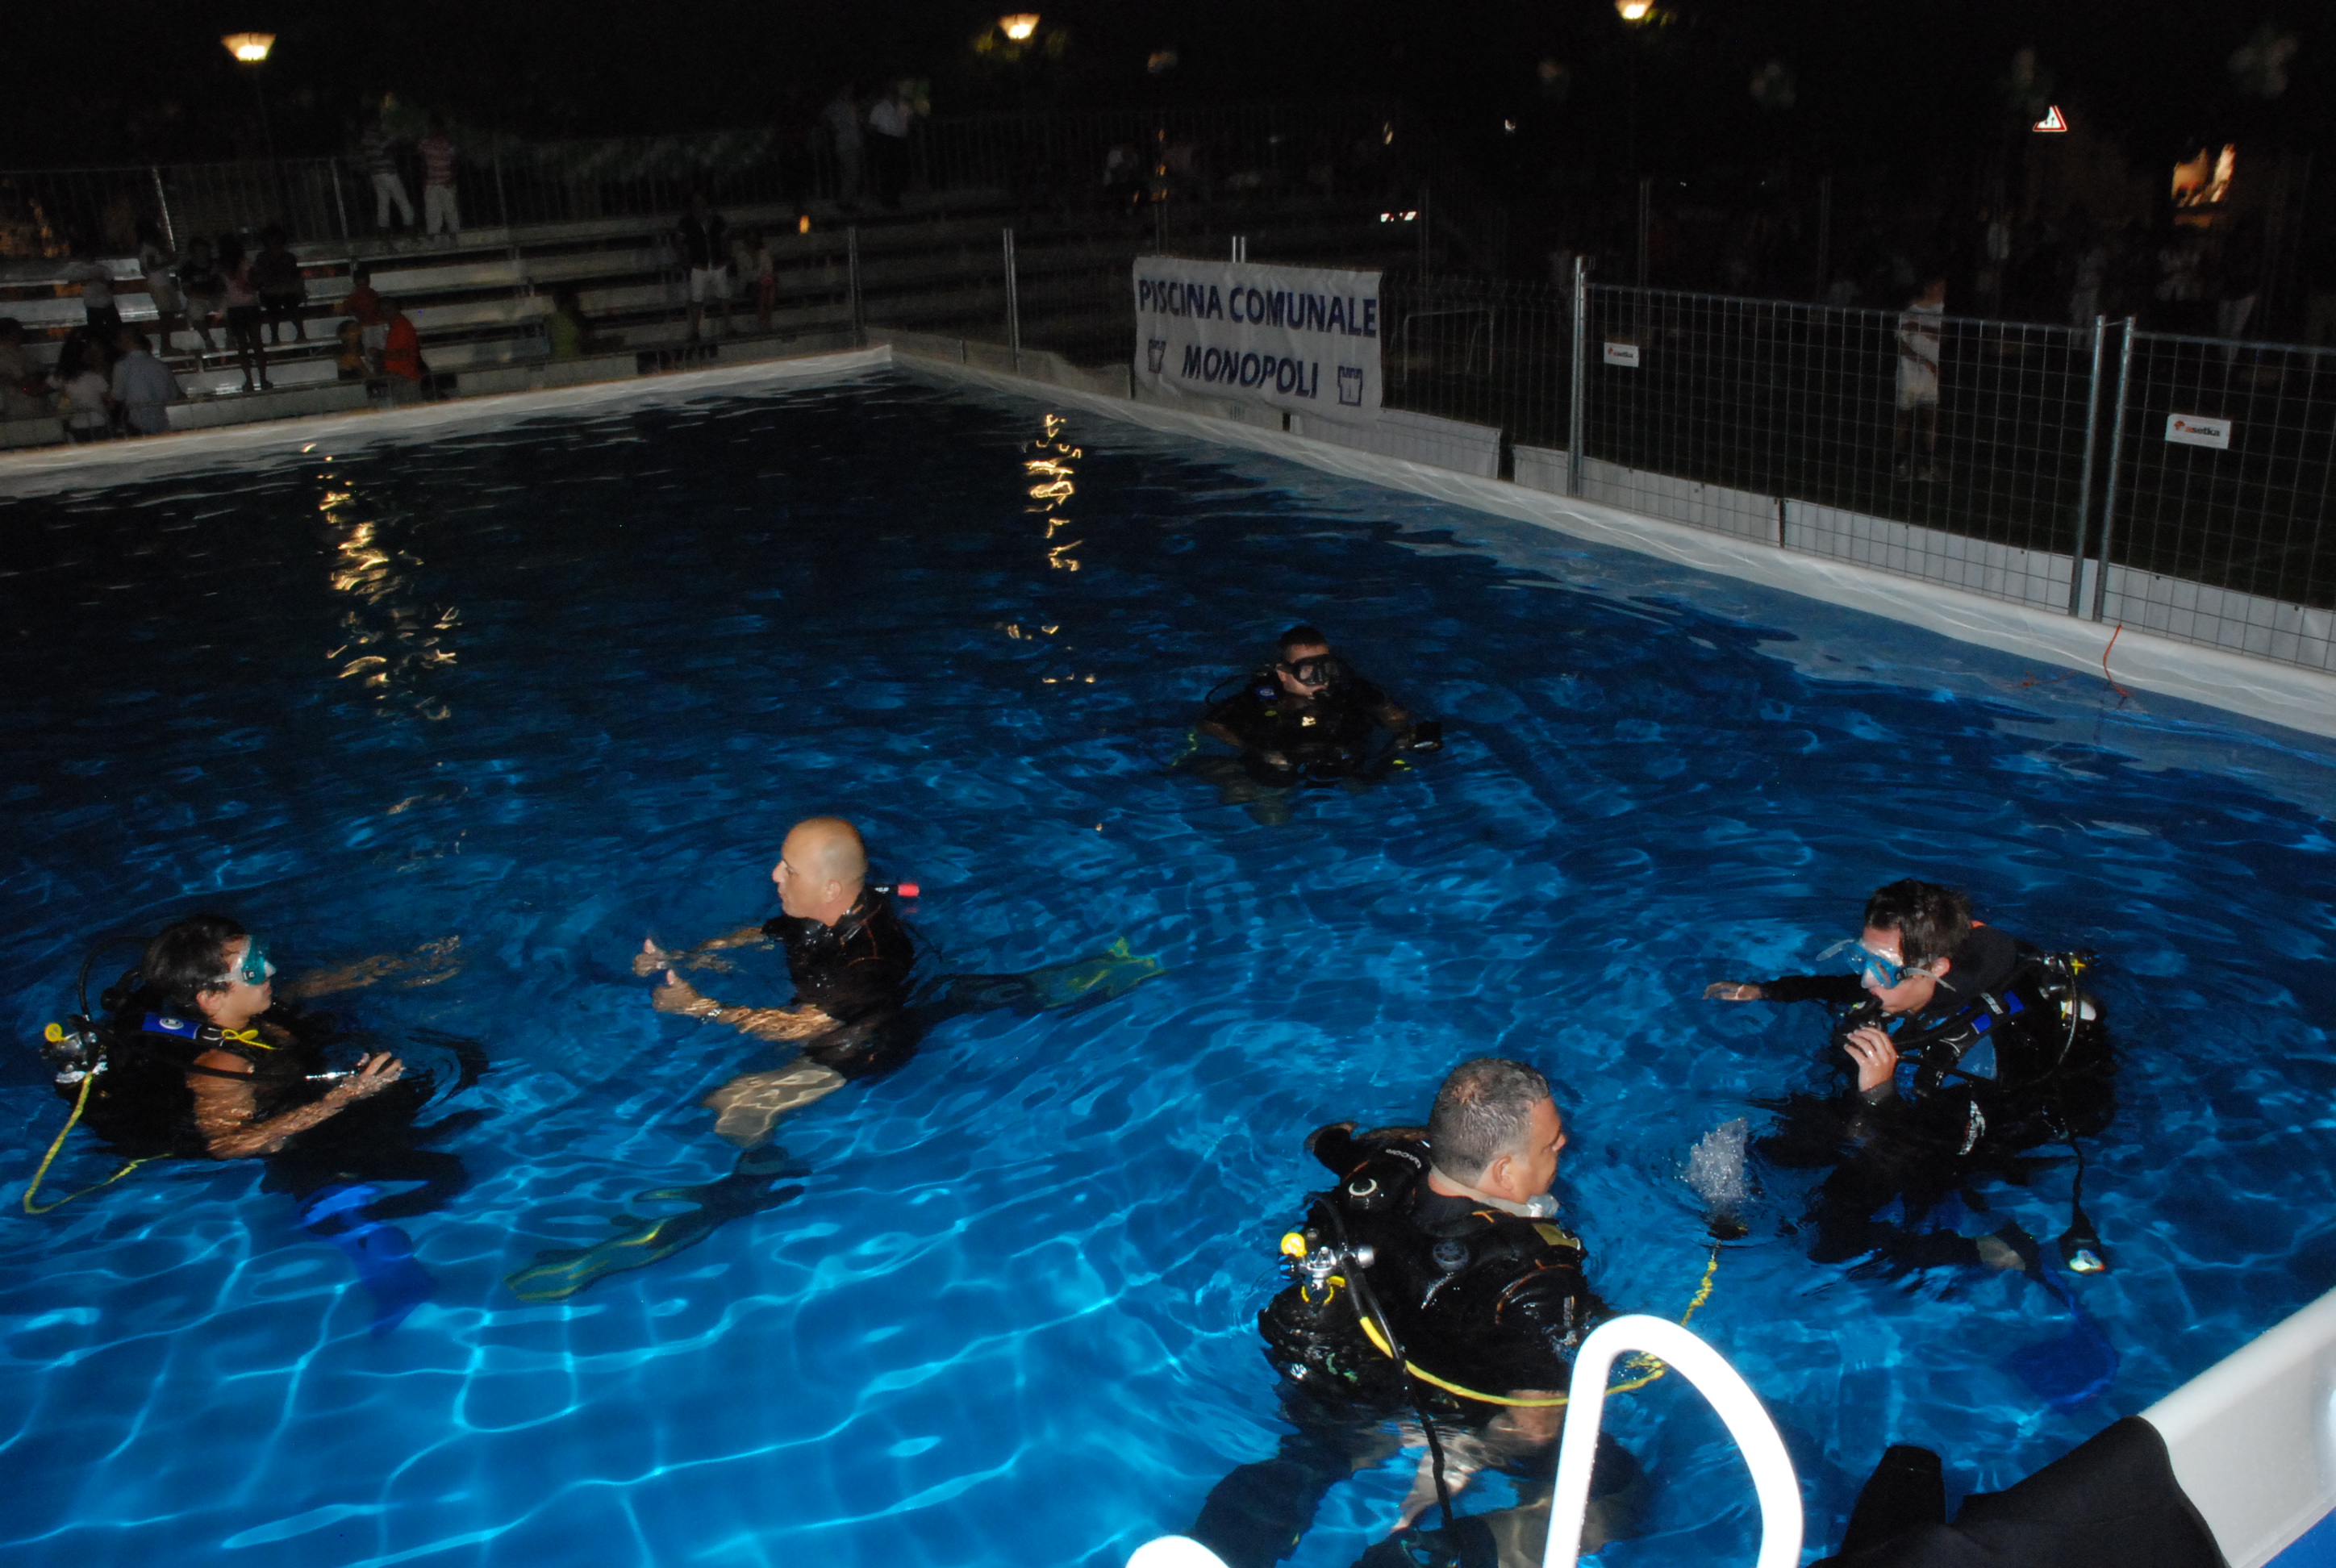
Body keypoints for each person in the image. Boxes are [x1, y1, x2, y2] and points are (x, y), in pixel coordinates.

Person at [505, 817, 1165, 1300]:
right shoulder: (824, 908)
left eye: (786, 870)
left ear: (829, 888)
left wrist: (699, 1006)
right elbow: (766, 933)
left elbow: (800, 1029)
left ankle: (746, 1188)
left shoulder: (863, 958)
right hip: (883, 1003)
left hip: (864, 1042)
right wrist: (685, 957)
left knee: (735, 1107)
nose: (774, 876)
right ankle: (1076, 979)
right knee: (946, 998)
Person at [1185, 1058, 1642, 1568]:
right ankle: (1418, 1558)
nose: (1564, 1144)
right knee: (1617, 1495)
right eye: (1551, 1143)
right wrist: (1463, 1455)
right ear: (1503, 1172)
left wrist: (1334, 1141)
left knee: (1310, 1457)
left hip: (1345, 1371)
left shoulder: (1384, 1167)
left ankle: (1208, 1553)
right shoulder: (1532, 1275)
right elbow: (1535, 1424)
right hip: (1452, 1406)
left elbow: (1330, 1143)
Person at [38, 915, 475, 1331]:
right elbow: (228, 1144)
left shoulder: (251, 1012)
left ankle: (365, 1218)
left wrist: (402, 965)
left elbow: (311, 986)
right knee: (441, 1175)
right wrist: (345, 1096)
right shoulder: (221, 1065)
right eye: (252, 969)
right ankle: (382, 1266)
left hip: (306, 1107)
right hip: (293, 1142)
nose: (270, 970)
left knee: (431, 1138)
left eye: (260, 956)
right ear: (211, 998)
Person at [1704, 879, 2112, 1274]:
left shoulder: (1976, 1058)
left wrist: (1880, 1094)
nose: (1867, 979)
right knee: (1769, 1147)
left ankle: (1986, 1252)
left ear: (1937, 969)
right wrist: (1768, 991)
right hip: (1897, 1108)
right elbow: (1854, 987)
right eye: (1861, 958)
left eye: (1882, 968)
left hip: (1952, 1137)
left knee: (1830, 1240)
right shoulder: (1906, 984)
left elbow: (1938, 1152)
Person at [1199, 624, 1433, 794]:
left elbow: (1391, 710)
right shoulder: (1262, 698)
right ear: (1283, 673)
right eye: (1307, 670)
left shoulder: (1348, 689)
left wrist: (1401, 732)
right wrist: (1256, 748)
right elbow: (1210, 725)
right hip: (1281, 765)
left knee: (1365, 787)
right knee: (1272, 811)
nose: (1321, 678)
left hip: (1338, 758)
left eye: (1325, 667)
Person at [1892, 276, 1945, 482]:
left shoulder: (1941, 311)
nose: (1942, 292)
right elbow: (1902, 345)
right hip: (1909, 375)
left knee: (1931, 420)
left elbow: (1945, 336)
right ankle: (1901, 464)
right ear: (1928, 287)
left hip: (1931, 379)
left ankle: (1927, 465)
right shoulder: (1909, 311)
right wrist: (1925, 361)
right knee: (1904, 420)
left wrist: (1921, 328)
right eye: (1939, 287)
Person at [216, 233, 269, 392]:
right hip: (250, 306)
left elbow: (220, 288)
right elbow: (255, 284)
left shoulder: (221, 266)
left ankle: (249, 381)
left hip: (234, 308)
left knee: (243, 346)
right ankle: (263, 380)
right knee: (257, 344)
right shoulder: (245, 263)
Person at [676, 192, 732, 341]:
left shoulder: (716, 220)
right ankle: (695, 331)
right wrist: (686, 264)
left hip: (717, 263)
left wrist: (728, 258)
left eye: (701, 201)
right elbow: (679, 244)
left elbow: (726, 238)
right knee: (697, 299)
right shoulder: (686, 222)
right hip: (698, 265)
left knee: (724, 296)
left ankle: (729, 327)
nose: (699, 204)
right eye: (696, 201)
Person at [108, 327, 181, 435]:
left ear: (126, 341)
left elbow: (118, 396)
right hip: (163, 420)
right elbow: (173, 394)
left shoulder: (123, 366)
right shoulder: (161, 366)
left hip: (138, 422)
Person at [136, 220, 189, 355]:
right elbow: (151, 267)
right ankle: (165, 346)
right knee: (166, 315)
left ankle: (167, 345)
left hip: (163, 283)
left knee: (169, 315)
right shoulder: (148, 249)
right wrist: (168, 262)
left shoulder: (152, 248)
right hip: (158, 284)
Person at [252, 225, 307, 344]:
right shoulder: (262, 258)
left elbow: (292, 277)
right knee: (272, 307)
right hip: (271, 291)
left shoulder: (289, 258)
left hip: (288, 290)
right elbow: (261, 277)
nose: (274, 245)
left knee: (291, 304)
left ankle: (301, 332)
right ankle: (274, 336)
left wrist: (284, 286)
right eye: (271, 241)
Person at [360, 114, 415, 233]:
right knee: (403, 202)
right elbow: (385, 147)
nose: (380, 125)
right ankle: (410, 230)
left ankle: (384, 232)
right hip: (388, 173)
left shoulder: (365, 138)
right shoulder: (375, 137)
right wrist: (397, 137)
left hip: (376, 174)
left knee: (383, 204)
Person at [55, 331, 111, 443]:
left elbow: (65, 404)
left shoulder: (66, 380)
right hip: (98, 421)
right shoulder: (96, 377)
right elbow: (110, 401)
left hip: (77, 424)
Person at [866, 80, 916, 210]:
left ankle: (895, 197)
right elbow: (872, 126)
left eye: (896, 91)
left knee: (901, 170)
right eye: (892, 91)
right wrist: (878, 141)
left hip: (900, 140)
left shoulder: (904, 106)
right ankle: (887, 199)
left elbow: (910, 120)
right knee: (887, 170)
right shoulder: (879, 108)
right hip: (886, 140)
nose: (895, 94)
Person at [177, 237, 224, 361]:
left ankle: (231, 337)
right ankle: (208, 340)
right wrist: (208, 297)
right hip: (199, 299)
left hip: (218, 297)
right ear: (192, 253)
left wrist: (218, 292)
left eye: (204, 249)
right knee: (194, 310)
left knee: (231, 306)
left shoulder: (216, 265)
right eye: (198, 250)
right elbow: (187, 291)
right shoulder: (187, 268)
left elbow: (224, 283)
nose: (202, 253)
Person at [418, 118, 461, 242]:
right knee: (433, 212)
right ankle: (433, 238)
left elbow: (455, 162)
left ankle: (454, 237)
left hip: (446, 181)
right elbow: (421, 161)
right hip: (432, 183)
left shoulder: (448, 143)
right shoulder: (425, 143)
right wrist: (424, 179)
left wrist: (452, 178)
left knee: (450, 210)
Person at [823, 83, 864, 210]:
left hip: (854, 142)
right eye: (848, 89)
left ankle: (849, 202)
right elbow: (824, 117)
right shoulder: (836, 105)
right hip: (844, 143)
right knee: (853, 173)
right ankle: (844, 202)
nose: (851, 92)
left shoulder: (851, 105)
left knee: (851, 174)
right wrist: (833, 130)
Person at [0, 318, 51, 421]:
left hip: (34, 408)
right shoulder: (6, 356)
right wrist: (30, 386)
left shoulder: (23, 352)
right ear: (12, 334)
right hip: (20, 411)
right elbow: (25, 384)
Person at [342, 263, 388, 364]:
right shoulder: (355, 296)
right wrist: (356, 314)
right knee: (369, 346)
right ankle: (374, 364)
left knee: (381, 345)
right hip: (365, 325)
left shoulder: (372, 293)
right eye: (360, 284)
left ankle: (383, 363)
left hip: (377, 323)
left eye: (365, 283)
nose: (363, 286)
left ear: (368, 281)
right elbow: (346, 308)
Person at [380, 298, 425, 400]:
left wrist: (379, 353)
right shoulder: (398, 325)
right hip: (402, 377)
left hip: (404, 377)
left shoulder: (401, 327)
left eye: (386, 310)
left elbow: (403, 354)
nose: (383, 314)